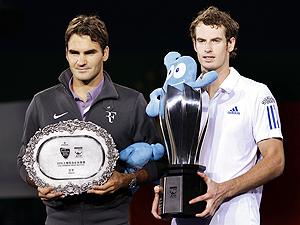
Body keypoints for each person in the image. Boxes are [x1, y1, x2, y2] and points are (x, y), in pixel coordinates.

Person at [17, 14, 167, 225]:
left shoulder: (132, 102)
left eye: (90, 52)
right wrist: (38, 184)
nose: (81, 61)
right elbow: (24, 159)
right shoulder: (43, 102)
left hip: (113, 219)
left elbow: (159, 163)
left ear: (105, 53)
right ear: (66, 54)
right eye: (74, 53)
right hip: (58, 219)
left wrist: (126, 180)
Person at [151, 6, 285, 225]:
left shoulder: (256, 93)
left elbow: (275, 160)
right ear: (194, 45)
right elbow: (176, 158)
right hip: (187, 218)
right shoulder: (181, 97)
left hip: (236, 218)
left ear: (230, 44)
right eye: (202, 41)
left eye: (215, 40)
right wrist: (167, 189)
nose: (208, 49)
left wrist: (223, 190)